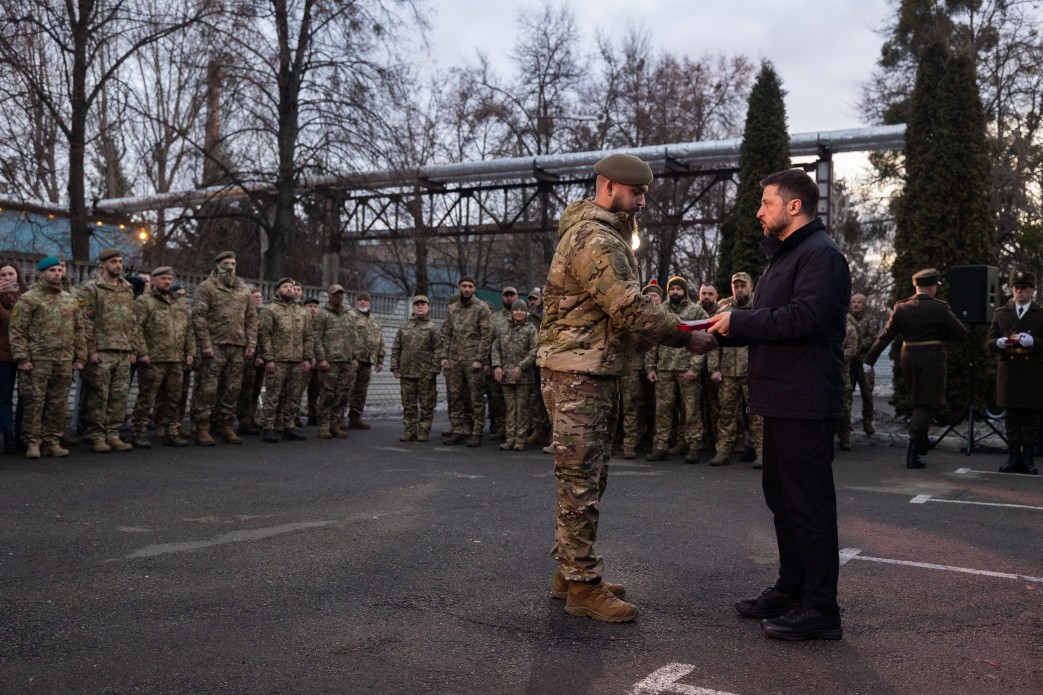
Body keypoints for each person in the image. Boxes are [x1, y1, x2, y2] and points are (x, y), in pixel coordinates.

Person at [538, 153, 714, 623]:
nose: (641, 200)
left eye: (643, 193)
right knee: (580, 482)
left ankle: (570, 571)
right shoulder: (595, 238)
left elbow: (617, 315)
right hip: (579, 374)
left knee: (587, 478)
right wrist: (683, 334)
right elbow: (630, 308)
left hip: (587, 369)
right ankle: (581, 587)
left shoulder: (603, 234)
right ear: (607, 186)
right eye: (635, 192)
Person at [706, 168, 850, 641]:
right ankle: (791, 588)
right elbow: (771, 325)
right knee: (783, 501)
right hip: (782, 399)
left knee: (808, 506)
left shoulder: (821, 255)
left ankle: (821, 609)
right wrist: (717, 337)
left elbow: (804, 318)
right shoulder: (787, 257)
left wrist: (740, 322)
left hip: (805, 400)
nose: (758, 211)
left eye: (766, 202)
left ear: (793, 206)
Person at [863, 268, 967, 469]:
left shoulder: (901, 307)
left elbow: (885, 336)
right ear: (931, 287)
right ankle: (913, 453)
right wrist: (937, 337)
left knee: (918, 400)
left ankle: (921, 443)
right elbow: (960, 333)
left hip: (908, 357)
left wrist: (869, 360)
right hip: (931, 358)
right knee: (924, 404)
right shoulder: (939, 308)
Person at [9, 256, 87, 459]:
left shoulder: (70, 300)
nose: (57, 273)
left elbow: (79, 330)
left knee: (57, 402)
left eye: (59, 270)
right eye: (52, 270)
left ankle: (52, 440)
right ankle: (33, 442)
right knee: (34, 403)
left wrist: (80, 356)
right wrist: (22, 357)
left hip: (63, 360)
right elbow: (17, 330)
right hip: (38, 361)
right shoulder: (29, 299)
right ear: (41, 273)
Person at [190, 251, 257, 446]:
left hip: (237, 346)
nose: (230, 267)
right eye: (226, 263)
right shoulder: (206, 288)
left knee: (232, 389)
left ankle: (226, 424)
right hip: (215, 346)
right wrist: (205, 344)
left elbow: (251, 319)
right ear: (217, 265)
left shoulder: (244, 291)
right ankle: (202, 425)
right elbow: (198, 317)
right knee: (208, 388)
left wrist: (251, 343)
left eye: (233, 263)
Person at [79, 248, 142, 453]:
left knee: (119, 395)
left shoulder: (127, 289)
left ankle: (113, 433)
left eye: (120, 261)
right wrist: (90, 350)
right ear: (102, 265)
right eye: (114, 261)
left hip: (123, 350)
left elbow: (132, 321)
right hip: (102, 350)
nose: (118, 265)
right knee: (99, 395)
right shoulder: (91, 288)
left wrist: (133, 348)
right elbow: (85, 321)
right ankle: (97, 435)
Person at [644, 276, 708, 463]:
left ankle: (694, 445)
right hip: (664, 369)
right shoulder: (661, 310)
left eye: (679, 289)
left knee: (691, 410)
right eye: (672, 289)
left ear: (685, 292)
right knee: (662, 410)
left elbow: (704, 339)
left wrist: (695, 367)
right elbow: (652, 340)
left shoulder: (696, 311)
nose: (675, 293)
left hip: (687, 369)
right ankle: (660, 446)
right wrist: (650, 368)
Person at [131, 266, 195, 448]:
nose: (167, 282)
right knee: (147, 397)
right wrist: (142, 352)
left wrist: (190, 352)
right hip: (154, 359)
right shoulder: (145, 302)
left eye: (169, 279)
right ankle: (139, 432)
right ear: (154, 280)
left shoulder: (179, 304)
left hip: (176, 359)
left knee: (174, 398)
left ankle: (172, 431)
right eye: (163, 279)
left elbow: (188, 330)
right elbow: (136, 329)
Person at [986, 270, 1042, 475]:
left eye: (1024, 288)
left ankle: (1028, 461)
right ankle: (1013, 458)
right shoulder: (1001, 313)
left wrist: (1034, 342)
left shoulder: (1040, 314)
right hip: (1008, 370)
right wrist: (998, 343)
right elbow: (989, 342)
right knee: (1011, 418)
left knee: (1029, 419)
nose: (1019, 292)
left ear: (1032, 291)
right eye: (1016, 288)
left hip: (1031, 372)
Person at [707, 272, 763, 468]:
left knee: (757, 415)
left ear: (751, 286)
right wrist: (714, 368)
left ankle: (761, 452)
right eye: (735, 286)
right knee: (726, 413)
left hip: (753, 371)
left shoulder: (759, 307)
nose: (739, 289)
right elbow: (714, 342)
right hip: (728, 372)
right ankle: (723, 451)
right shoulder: (724, 309)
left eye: (743, 286)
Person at [257, 278, 313, 442]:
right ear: (278, 290)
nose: (289, 289)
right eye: (285, 287)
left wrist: (308, 358)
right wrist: (269, 358)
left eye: (291, 287)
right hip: (278, 360)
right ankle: (268, 426)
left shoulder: (302, 312)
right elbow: (264, 335)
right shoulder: (271, 310)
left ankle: (289, 425)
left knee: (293, 395)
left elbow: (308, 337)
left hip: (297, 361)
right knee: (273, 395)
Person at [439, 277, 493, 447]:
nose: (467, 289)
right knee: (455, 396)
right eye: (464, 286)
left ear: (474, 288)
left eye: (470, 286)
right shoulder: (453, 309)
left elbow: (486, 335)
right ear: (459, 287)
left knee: (475, 397)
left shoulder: (481, 308)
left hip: (472, 360)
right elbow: (446, 333)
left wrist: (479, 358)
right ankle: (458, 430)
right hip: (454, 359)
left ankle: (477, 432)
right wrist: (444, 356)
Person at [619, 281, 662, 459]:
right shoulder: (634, 315)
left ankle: (649, 439)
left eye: (655, 295)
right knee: (631, 405)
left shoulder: (665, 316)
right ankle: (630, 443)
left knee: (655, 408)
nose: (651, 298)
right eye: (648, 295)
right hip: (634, 367)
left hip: (659, 369)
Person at [391, 295, 440, 442]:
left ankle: (424, 430)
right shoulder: (404, 327)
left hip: (425, 374)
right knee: (408, 404)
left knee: (426, 404)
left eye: (423, 304)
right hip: (407, 373)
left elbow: (439, 351)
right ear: (413, 307)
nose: (420, 306)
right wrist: (395, 367)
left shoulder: (433, 328)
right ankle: (409, 430)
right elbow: (396, 348)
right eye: (417, 304)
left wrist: (433, 370)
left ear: (428, 306)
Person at [313, 285, 359, 439]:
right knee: (327, 394)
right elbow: (316, 337)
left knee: (342, 394)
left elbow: (354, 337)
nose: (338, 297)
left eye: (341, 293)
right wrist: (321, 358)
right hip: (330, 361)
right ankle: (324, 426)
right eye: (335, 294)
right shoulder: (322, 314)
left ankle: (336, 423)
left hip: (346, 361)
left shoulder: (349, 315)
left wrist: (354, 357)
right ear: (329, 295)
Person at [491, 299, 539, 451]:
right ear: (512, 312)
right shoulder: (503, 328)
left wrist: (521, 367)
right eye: (516, 310)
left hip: (524, 377)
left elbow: (534, 350)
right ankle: (510, 438)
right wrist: (497, 366)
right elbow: (495, 348)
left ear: (526, 313)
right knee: (510, 408)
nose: (519, 312)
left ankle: (520, 439)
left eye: (522, 310)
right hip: (506, 376)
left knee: (522, 408)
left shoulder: (531, 329)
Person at [348, 291, 384, 429]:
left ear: (370, 302)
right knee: (347, 389)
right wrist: (351, 357)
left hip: (368, 361)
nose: (363, 302)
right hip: (353, 360)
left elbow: (380, 341)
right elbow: (346, 338)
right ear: (356, 302)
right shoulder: (350, 316)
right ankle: (337, 418)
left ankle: (355, 418)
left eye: (365, 300)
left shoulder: (375, 320)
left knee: (361, 391)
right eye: (360, 299)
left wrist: (380, 360)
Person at [0, 263, 26, 454]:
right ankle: (8, 435)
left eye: (11, 274)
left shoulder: (27, 296)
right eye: (3, 274)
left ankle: (21, 435)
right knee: (4, 397)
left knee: (26, 397)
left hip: (25, 355)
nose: (8, 278)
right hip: (3, 355)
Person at [488, 287, 519, 440]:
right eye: (506, 296)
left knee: (517, 401)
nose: (509, 298)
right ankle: (501, 427)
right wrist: (491, 364)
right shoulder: (495, 318)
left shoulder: (522, 316)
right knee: (498, 399)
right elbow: (489, 341)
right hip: (498, 365)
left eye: (511, 295)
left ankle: (518, 431)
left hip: (517, 366)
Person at [236, 288, 266, 435]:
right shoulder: (246, 315)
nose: (258, 299)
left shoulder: (264, 315)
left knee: (256, 389)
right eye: (255, 297)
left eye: (260, 297)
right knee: (246, 389)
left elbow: (264, 337)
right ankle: (244, 420)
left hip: (261, 356)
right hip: (248, 356)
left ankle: (252, 417)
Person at [849, 294, 877, 435]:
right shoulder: (847, 319)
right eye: (854, 302)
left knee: (867, 393)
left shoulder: (870, 319)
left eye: (859, 302)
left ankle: (867, 421)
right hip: (850, 362)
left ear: (864, 304)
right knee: (847, 393)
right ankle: (846, 422)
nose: (856, 304)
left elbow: (872, 338)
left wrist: (857, 347)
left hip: (865, 362)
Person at [526, 287, 550, 445]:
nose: (533, 301)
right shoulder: (528, 317)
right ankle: (537, 430)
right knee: (535, 398)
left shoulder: (548, 314)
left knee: (549, 398)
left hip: (548, 361)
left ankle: (551, 433)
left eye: (536, 298)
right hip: (533, 361)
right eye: (531, 299)